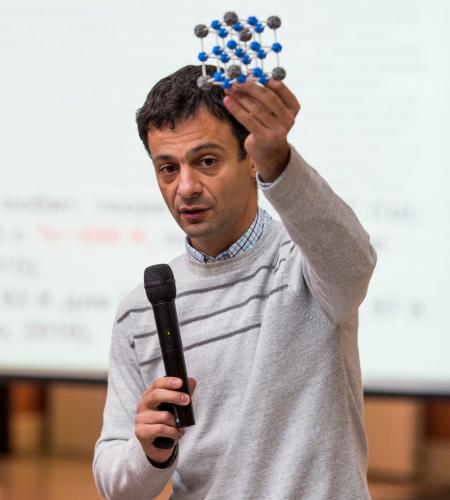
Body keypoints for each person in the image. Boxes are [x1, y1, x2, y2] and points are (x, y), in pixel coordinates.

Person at [93, 64, 377, 499]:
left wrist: (280, 161)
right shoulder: (140, 310)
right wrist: (148, 452)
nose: (186, 187)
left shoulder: (305, 264)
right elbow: (115, 483)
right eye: (167, 168)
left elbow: (355, 264)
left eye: (206, 161)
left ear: (251, 159)